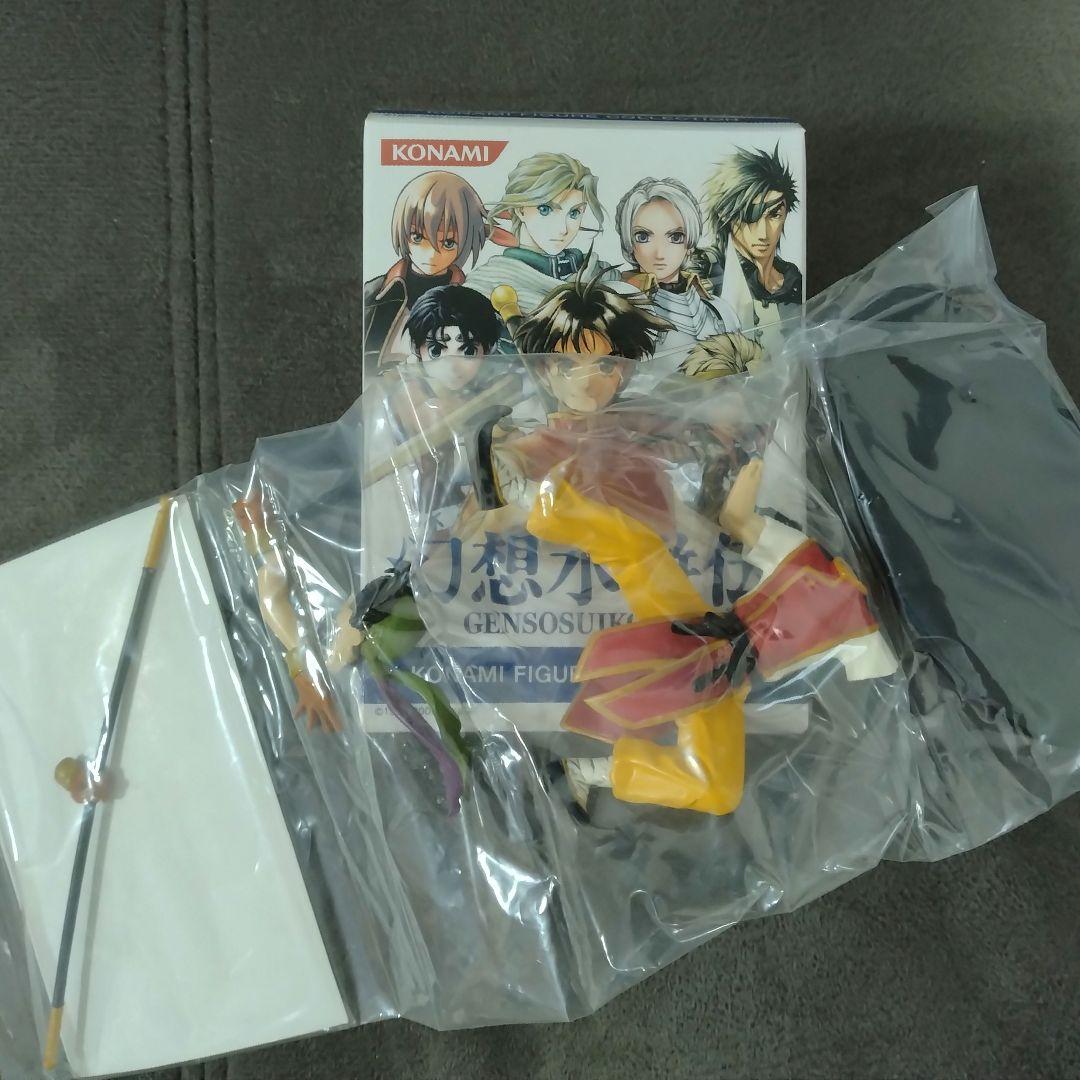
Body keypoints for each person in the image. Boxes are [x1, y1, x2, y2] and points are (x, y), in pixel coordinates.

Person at [463, 152, 618, 319]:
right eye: (545, 210)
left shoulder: (601, 273)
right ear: (520, 209)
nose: (562, 229)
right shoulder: (486, 283)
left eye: (574, 213)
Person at [363, 171, 489, 370]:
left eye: (448, 242)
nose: (431, 254)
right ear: (403, 233)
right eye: (418, 237)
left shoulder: (473, 302)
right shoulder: (374, 293)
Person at [615, 177, 740, 363]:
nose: (660, 253)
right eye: (643, 236)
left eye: (675, 237)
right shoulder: (613, 313)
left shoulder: (720, 311)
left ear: (689, 244)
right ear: (630, 243)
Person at [698, 146, 803, 330]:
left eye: (774, 214)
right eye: (749, 216)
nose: (763, 234)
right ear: (725, 214)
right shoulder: (705, 270)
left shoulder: (793, 280)